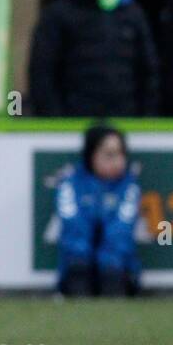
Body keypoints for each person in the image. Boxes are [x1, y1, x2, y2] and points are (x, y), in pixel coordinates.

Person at [28, 0, 159, 117]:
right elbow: (42, 73)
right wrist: (55, 120)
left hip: (125, 122)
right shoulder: (56, 15)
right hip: (71, 124)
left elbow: (148, 71)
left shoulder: (133, 14)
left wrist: (146, 118)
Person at [55, 123, 142, 298]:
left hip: (116, 267)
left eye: (121, 154)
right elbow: (74, 228)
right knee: (78, 269)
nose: (118, 161)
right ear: (91, 155)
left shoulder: (129, 186)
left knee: (112, 272)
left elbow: (121, 230)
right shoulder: (70, 183)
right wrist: (83, 260)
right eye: (109, 155)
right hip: (78, 266)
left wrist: (108, 262)